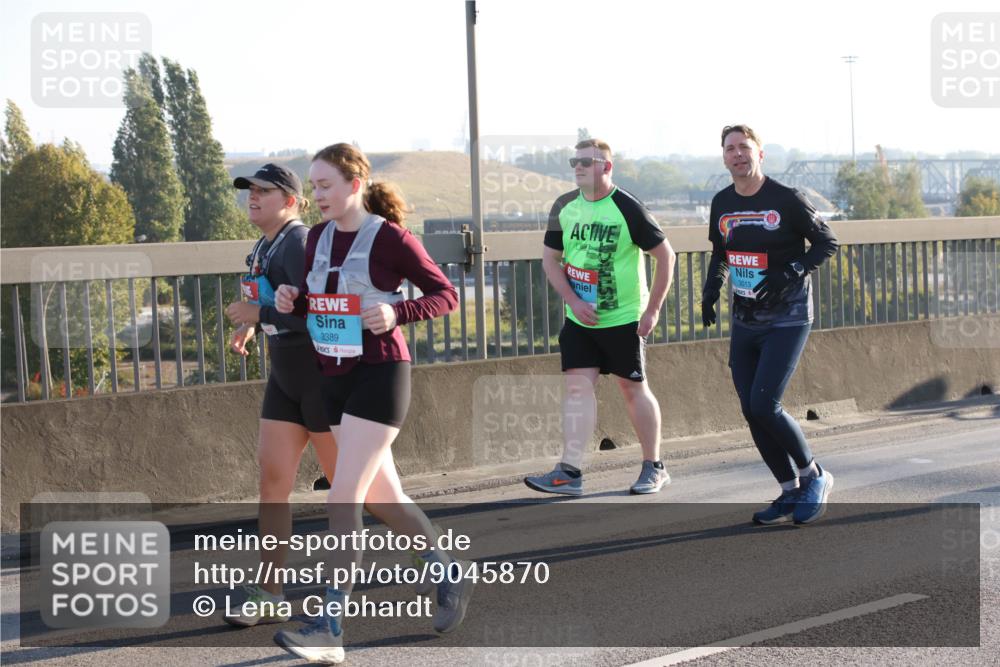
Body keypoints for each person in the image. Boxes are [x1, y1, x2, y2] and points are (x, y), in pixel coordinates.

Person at [271, 143, 468, 665]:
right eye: (312, 187)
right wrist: (294, 298)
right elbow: (323, 301)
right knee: (386, 498)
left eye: (324, 186)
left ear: (354, 185)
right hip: (333, 376)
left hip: (382, 375)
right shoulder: (315, 239)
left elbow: (445, 293)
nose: (315, 197)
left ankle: (329, 627)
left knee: (343, 497)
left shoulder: (391, 239)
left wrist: (398, 312)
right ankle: (447, 572)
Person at [700, 124, 838, 526]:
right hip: (745, 319)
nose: (738, 154)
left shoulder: (787, 198)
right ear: (724, 157)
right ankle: (788, 490)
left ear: (760, 154)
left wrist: (789, 273)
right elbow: (721, 253)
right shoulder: (722, 202)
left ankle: (814, 475)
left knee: (766, 403)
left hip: (788, 316)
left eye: (745, 147)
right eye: (730, 149)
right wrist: (711, 291)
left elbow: (827, 242)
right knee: (750, 409)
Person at [524, 138, 676, 497]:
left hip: (623, 318)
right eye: (574, 161)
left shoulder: (626, 207)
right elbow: (550, 260)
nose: (578, 167)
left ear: (606, 167)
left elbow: (666, 257)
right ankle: (570, 472)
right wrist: (573, 301)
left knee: (632, 389)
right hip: (580, 318)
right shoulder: (564, 206)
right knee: (577, 389)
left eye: (587, 162)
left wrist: (652, 309)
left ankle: (654, 467)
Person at [222, 163, 338, 626]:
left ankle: (437, 561)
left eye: (264, 191)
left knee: (357, 492)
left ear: (290, 200)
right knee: (272, 482)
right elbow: (275, 300)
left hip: (320, 382)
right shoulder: (265, 244)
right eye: (250, 190)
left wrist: (256, 310)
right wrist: (253, 324)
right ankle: (270, 592)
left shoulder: (300, 242)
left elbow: (322, 314)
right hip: (284, 379)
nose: (253, 196)